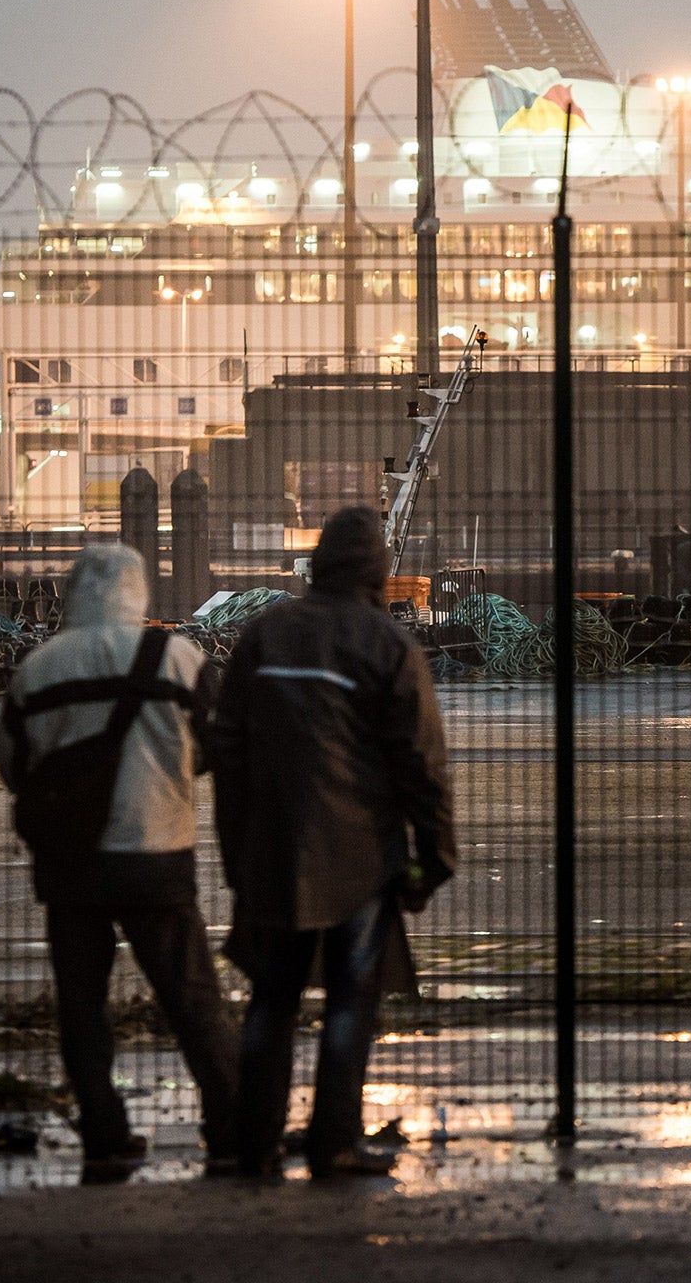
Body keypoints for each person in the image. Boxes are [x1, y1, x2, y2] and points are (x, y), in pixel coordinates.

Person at [207, 504, 454, 1179]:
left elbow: (226, 750)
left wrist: (239, 852)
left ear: (317, 563)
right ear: (378, 568)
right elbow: (420, 764)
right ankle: (333, 1142)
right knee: (351, 1001)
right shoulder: (387, 645)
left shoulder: (264, 634)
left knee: (272, 1001)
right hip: (360, 857)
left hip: (273, 851)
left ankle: (252, 1146)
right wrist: (435, 858)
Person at [0, 543, 238, 1184]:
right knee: (192, 1000)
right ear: (140, 589)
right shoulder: (179, 657)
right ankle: (231, 1130)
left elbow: (16, 768)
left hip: (71, 867)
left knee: (82, 1006)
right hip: (156, 855)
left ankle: (104, 1135)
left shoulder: (37, 669)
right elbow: (218, 748)